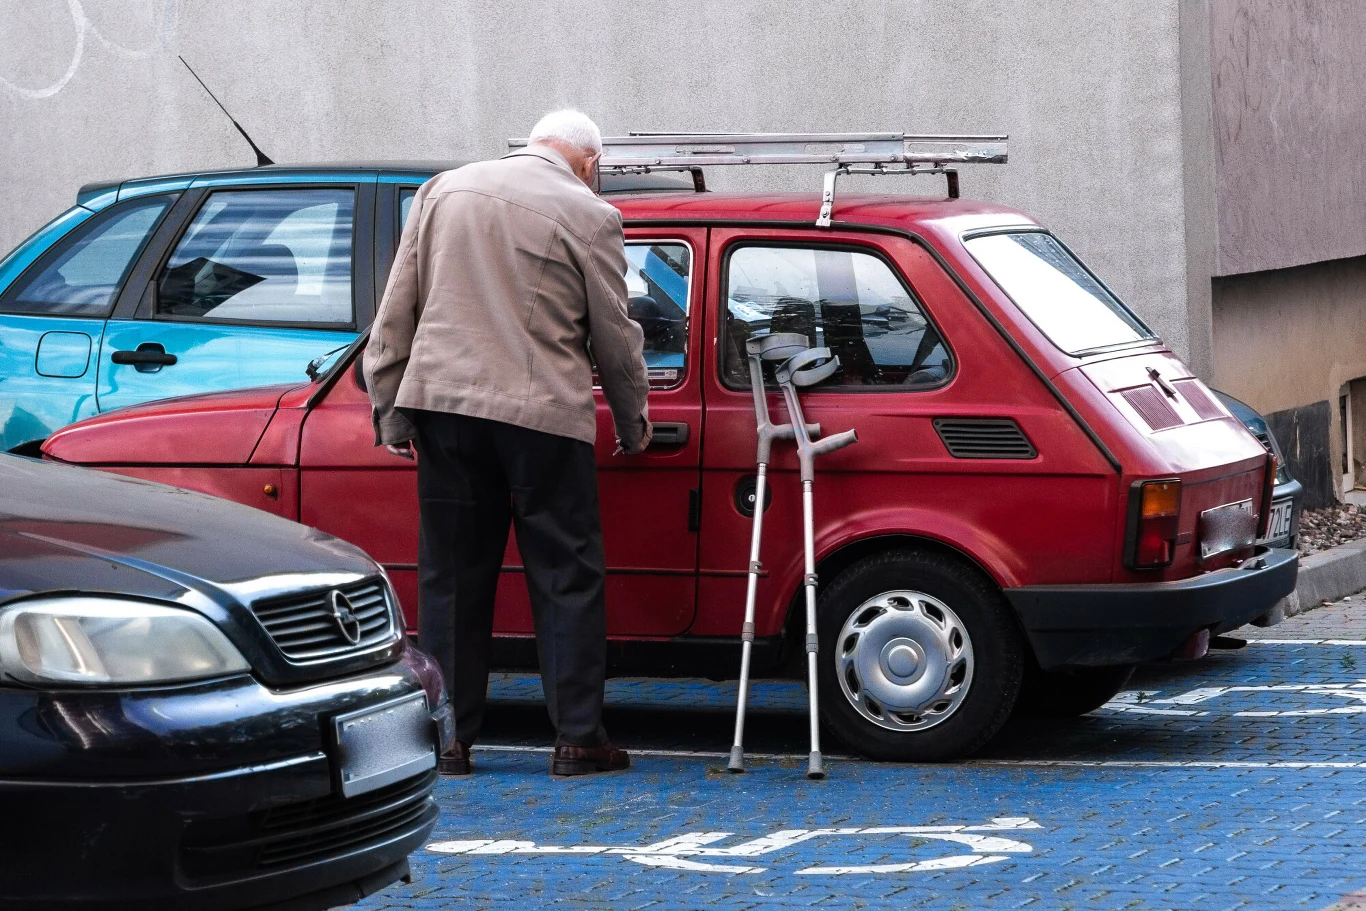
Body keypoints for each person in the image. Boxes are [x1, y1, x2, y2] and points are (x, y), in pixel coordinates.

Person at [363, 110, 651, 778]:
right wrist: (634, 424)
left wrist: (392, 415)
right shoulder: (590, 214)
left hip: (445, 410)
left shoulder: (443, 191)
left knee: (452, 578)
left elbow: (396, 311)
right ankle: (578, 738)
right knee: (566, 575)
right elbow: (615, 336)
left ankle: (451, 738)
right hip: (542, 417)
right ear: (588, 161)